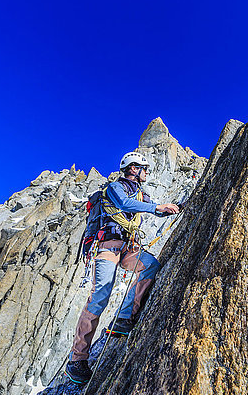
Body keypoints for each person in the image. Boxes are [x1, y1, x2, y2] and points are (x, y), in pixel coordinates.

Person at [65, 151, 179, 384]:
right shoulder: (114, 188)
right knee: (100, 296)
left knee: (150, 266)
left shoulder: (141, 194)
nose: (146, 172)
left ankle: (124, 318)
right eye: (143, 168)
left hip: (127, 248)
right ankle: (77, 359)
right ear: (133, 168)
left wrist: (177, 206)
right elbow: (125, 204)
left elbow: (152, 208)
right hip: (107, 247)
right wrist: (158, 207)